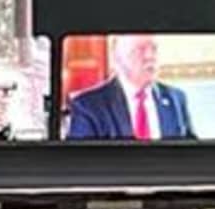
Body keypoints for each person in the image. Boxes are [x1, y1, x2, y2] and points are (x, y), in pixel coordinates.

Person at [63, 31, 192, 142]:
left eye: (154, 49)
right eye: (139, 50)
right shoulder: (87, 107)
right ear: (116, 58)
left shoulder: (176, 99)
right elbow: (80, 164)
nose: (149, 56)